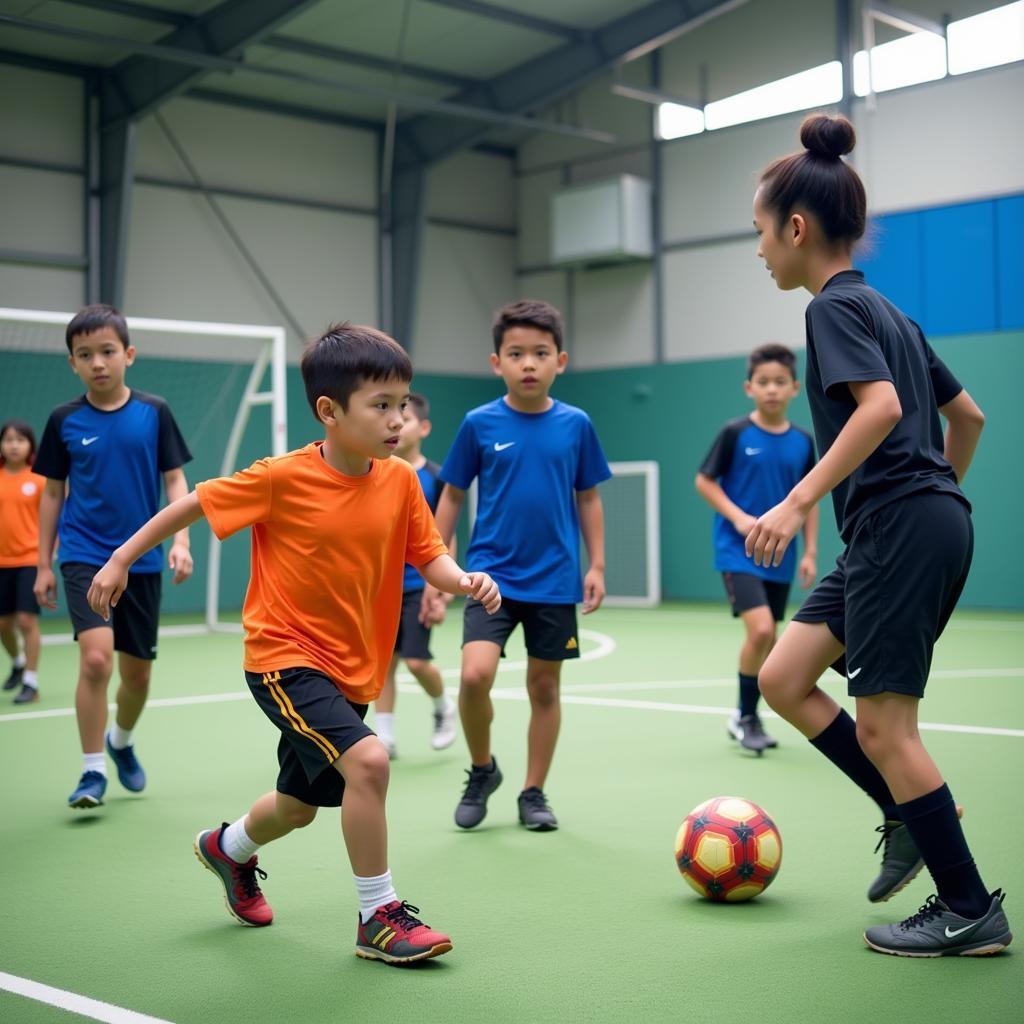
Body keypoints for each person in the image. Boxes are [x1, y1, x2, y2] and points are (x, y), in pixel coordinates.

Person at [88, 323, 501, 964]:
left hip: (351, 671)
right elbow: (193, 503)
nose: (399, 419)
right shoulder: (280, 477)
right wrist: (118, 560)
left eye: (403, 403)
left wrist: (466, 580)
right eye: (382, 405)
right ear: (329, 412)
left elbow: (432, 558)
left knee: (298, 807)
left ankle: (226, 849)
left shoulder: (398, 482)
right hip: (284, 660)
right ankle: (378, 916)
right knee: (369, 762)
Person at [747, 113, 1010, 956]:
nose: (759, 252)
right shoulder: (890, 313)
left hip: (899, 527)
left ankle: (970, 908)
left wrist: (797, 502)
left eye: (760, 232)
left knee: (885, 730)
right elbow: (966, 417)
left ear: (796, 228)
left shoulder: (831, 311)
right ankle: (903, 809)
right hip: (906, 526)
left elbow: (886, 409)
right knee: (784, 677)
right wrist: (936, 494)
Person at [431, 299, 611, 832]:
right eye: (516, 353)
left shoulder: (576, 425)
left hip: (555, 581)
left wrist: (596, 565)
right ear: (496, 363)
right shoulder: (478, 423)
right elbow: (453, 496)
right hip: (490, 576)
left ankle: (533, 793)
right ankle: (483, 769)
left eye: (540, 353)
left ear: (561, 359)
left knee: (544, 688)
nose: (528, 363)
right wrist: (437, 564)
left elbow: (589, 499)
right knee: (474, 675)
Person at [32, 304, 194, 809]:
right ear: (72, 364)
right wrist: (43, 563)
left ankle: (119, 742)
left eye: (107, 352)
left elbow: (175, 480)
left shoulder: (154, 412)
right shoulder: (63, 420)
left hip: (142, 560)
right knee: (96, 659)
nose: (98, 362)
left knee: (137, 675)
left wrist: (182, 542)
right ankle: (91, 772)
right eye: (85, 355)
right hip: (83, 555)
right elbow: (53, 494)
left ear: (128, 355)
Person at [695, 344, 818, 754]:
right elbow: (705, 482)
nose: (771, 390)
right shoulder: (734, 433)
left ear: (795, 388)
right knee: (762, 629)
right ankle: (747, 716)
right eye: (763, 382)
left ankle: (743, 715)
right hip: (736, 550)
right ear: (749, 387)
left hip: (779, 557)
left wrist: (809, 552)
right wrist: (738, 518)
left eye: (780, 382)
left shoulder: (803, 442)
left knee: (770, 639)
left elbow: (809, 498)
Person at [374, 392, 458, 759]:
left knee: (417, 660)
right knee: (383, 664)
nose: (396, 423)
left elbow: (445, 537)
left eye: (405, 418)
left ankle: (443, 707)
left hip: (417, 586)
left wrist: (440, 592)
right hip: (380, 586)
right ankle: (384, 736)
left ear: (423, 428)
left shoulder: (437, 478)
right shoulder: (376, 470)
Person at [0, 419, 46, 704]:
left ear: (30, 445)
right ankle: (17, 662)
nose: (13, 444)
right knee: (3, 625)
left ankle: (31, 681)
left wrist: (48, 555)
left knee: (27, 620)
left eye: (20, 439)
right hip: (1, 563)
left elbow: (56, 519)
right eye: (8, 439)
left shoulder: (39, 479)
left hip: (30, 559)